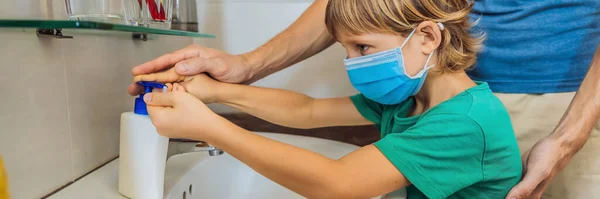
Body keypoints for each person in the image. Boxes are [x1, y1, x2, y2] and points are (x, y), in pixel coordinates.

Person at [130, 0, 600, 198]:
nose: (352, 63)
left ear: (427, 37)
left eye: (363, 48)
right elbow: (307, 111)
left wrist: (211, 127)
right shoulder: (412, 96)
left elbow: (335, 185)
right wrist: (215, 90)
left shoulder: (465, 123)